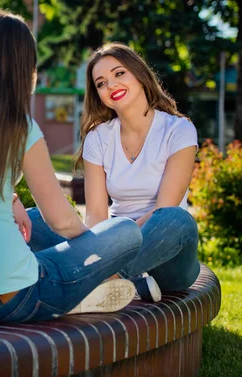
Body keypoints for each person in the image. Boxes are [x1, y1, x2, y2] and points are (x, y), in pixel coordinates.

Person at [0, 10, 143, 323]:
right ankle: (91, 286)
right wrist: (96, 248)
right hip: (8, 300)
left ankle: (83, 286)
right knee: (124, 232)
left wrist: (11, 198)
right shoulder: (20, 128)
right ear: (21, 69)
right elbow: (62, 222)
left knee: (33, 222)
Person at [75, 43, 201, 302]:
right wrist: (105, 242)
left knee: (176, 219)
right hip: (115, 244)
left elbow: (165, 209)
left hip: (167, 255)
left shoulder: (179, 131)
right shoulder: (98, 138)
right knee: (37, 220)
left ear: (139, 75)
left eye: (119, 74)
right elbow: (96, 215)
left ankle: (98, 281)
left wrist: (122, 236)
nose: (111, 85)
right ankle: (124, 284)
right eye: (101, 83)